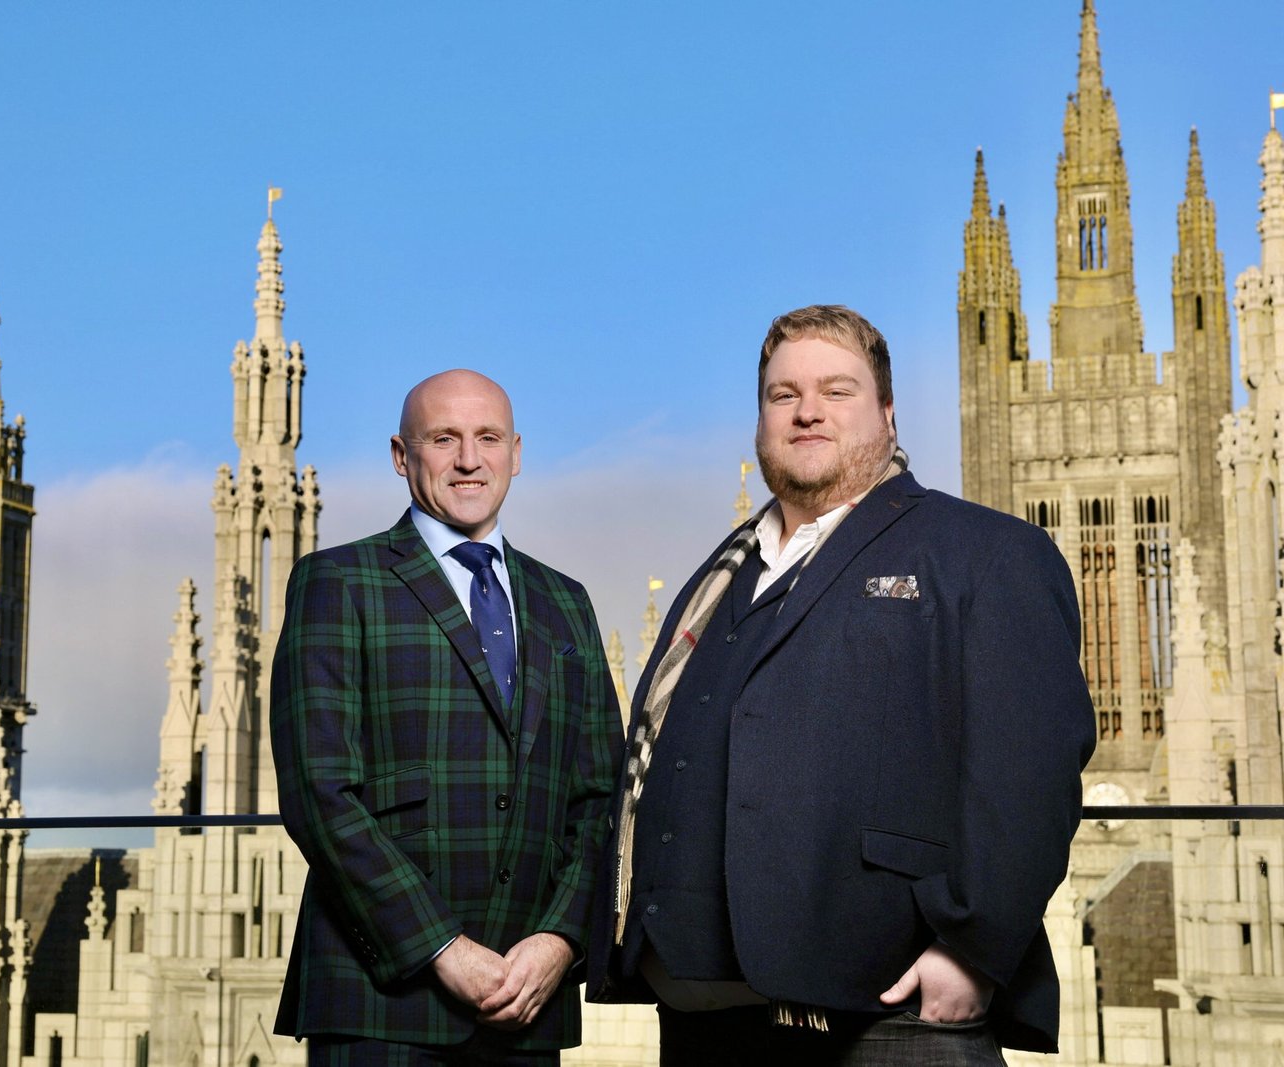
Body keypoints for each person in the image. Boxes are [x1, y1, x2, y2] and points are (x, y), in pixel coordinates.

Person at [587, 305, 1096, 1064]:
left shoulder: (986, 553)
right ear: (761, 421)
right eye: (783, 394)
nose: (806, 411)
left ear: (887, 412)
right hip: (700, 1015)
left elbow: (1032, 773)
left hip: (887, 1015)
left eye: (836, 390)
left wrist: (973, 950)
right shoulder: (717, 578)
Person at [272, 368, 624, 1065]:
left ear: (515, 454)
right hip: (383, 1004)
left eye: (488, 438)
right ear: (401, 455)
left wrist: (559, 940)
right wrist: (441, 946)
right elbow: (320, 793)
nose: (469, 459)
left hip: (528, 1001)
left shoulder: (566, 601)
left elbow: (600, 797)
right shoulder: (339, 581)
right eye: (443, 439)